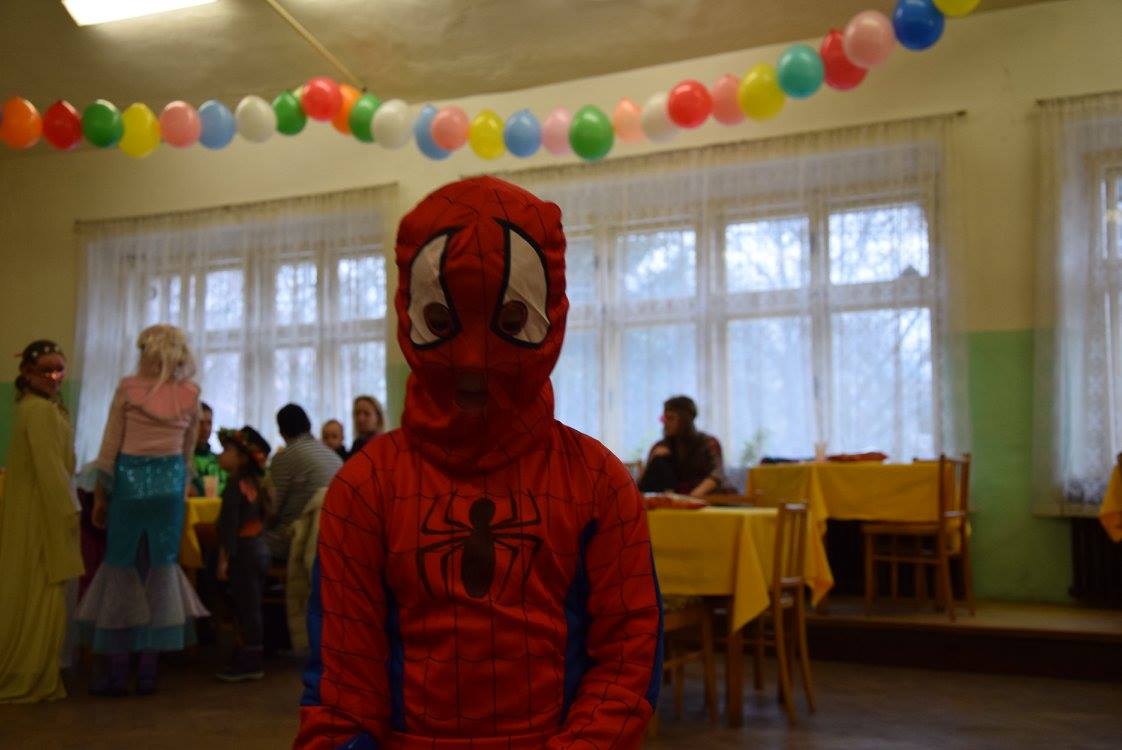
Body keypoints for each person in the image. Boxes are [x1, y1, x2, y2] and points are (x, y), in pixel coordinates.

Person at [295, 177, 662, 749]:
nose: (472, 358)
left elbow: (628, 656)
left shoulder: (598, 482)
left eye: (511, 323)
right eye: (442, 323)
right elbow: (342, 686)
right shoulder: (366, 487)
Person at [76, 324, 209, 696]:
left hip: (130, 484)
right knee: (159, 572)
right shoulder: (190, 393)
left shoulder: (128, 388)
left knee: (122, 569)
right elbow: (187, 454)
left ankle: (118, 670)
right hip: (169, 487)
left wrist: (101, 497)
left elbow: (109, 448)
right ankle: (148, 670)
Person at [0, 340, 84, 703]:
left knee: (43, 592)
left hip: (43, 507)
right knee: (40, 589)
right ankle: (29, 669)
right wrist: (70, 511)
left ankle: (36, 667)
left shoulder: (43, 409)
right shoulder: (38, 411)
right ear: (27, 373)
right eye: (45, 370)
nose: (54, 377)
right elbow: (51, 470)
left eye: (59, 369)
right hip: (41, 513)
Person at [214, 426, 272, 682]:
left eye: (227, 450)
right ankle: (250, 652)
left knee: (245, 606)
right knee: (252, 604)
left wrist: (223, 559)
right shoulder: (256, 483)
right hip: (259, 548)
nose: (221, 454)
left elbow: (228, 526)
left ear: (241, 458)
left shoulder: (234, 485)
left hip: (244, 552)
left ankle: (250, 659)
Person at [267, 404, 342, 561]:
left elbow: (272, 509)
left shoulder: (284, 457)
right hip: (335, 540)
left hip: (299, 540)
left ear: (281, 432)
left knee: (245, 542)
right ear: (309, 425)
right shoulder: (333, 455)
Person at [637, 395, 729, 497]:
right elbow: (641, 485)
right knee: (659, 462)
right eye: (664, 418)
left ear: (685, 420)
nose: (665, 423)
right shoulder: (660, 446)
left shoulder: (708, 443)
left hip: (706, 497)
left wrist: (690, 497)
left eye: (670, 418)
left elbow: (717, 475)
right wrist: (653, 458)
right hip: (671, 498)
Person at [191, 401, 226, 496]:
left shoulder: (219, 460)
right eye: (200, 423)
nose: (205, 429)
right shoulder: (183, 460)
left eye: (209, 423)